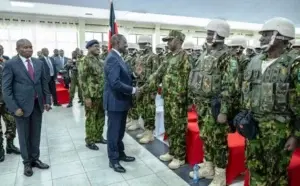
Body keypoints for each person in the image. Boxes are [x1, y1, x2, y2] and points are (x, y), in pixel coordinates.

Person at [236, 17, 300, 186]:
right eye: (262, 35)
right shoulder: (254, 61)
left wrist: (296, 135)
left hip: (279, 132)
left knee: (276, 174)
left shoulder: (294, 64)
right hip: (254, 127)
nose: (261, 38)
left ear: (282, 36)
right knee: (254, 167)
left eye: (266, 34)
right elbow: (246, 91)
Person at [188, 19, 233, 186]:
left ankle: (220, 175)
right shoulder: (205, 54)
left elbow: (230, 85)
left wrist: (224, 110)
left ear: (220, 34)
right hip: (202, 105)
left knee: (218, 141)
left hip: (216, 107)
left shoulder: (227, 56)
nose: (207, 36)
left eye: (210, 33)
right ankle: (209, 166)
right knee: (206, 137)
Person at [141, 30, 190, 169]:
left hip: (179, 100)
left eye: (170, 40)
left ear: (179, 41)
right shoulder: (168, 57)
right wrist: (144, 88)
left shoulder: (185, 57)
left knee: (178, 127)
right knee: (169, 126)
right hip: (168, 97)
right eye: (167, 41)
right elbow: (157, 74)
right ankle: (173, 151)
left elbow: (189, 80)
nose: (167, 43)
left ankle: (180, 157)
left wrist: (188, 100)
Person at [2, 39, 51, 177]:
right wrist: (14, 107)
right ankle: (27, 163)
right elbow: (6, 89)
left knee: (36, 134)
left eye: (30, 47)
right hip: (20, 107)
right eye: (25, 47)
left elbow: (44, 83)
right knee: (24, 136)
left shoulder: (38, 63)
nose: (29, 49)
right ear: (18, 49)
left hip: (37, 105)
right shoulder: (10, 64)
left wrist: (47, 100)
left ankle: (35, 159)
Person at [104, 34, 139, 173]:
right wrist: (133, 90)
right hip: (115, 102)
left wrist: (134, 76)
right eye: (125, 42)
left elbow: (122, 76)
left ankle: (120, 153)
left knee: (119, 131)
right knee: (113, 132)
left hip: (121, 101)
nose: (127, 45)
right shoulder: (112, 58)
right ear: (117, 42)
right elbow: (115, 83)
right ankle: (113, 160)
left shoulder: (118, 56)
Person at [78, 40, 107, 151]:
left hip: (101, 94)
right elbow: (82, 80)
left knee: (101, 116)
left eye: (98, 46)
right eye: (95, 46)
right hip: (92, 95)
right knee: (91, 117)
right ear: (89, 48)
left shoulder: (100, 61)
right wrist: (86, 97)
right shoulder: (84, 61)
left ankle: (98, 136)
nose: (98, 48)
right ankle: (89, 140)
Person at [131, 35, 158, 144]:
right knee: (142, 109)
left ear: (148, 44)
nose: (141, 46)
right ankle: (145, 130)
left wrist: (153, 90)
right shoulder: (139, 56)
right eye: (140, 44)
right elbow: (137, 70)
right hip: (140, 85)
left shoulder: (153, 57)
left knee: (149, 111)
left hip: (149, 88)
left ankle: (150, 133)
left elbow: (156, 75)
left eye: (143, 44)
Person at [0, 54, 20, 162]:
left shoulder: (5, 62)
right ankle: (0, 150)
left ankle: (10, 145)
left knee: (12, 122)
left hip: (5, 100)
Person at [124, 43, 139, 128]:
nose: (130, 51)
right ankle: (131, 118)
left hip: (135, 82)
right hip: (129, 81)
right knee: (130, 102)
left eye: (132, 49)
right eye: (129, 49)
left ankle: (135, 121)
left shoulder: (137, 58)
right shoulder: (128, 58)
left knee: (134, 103)